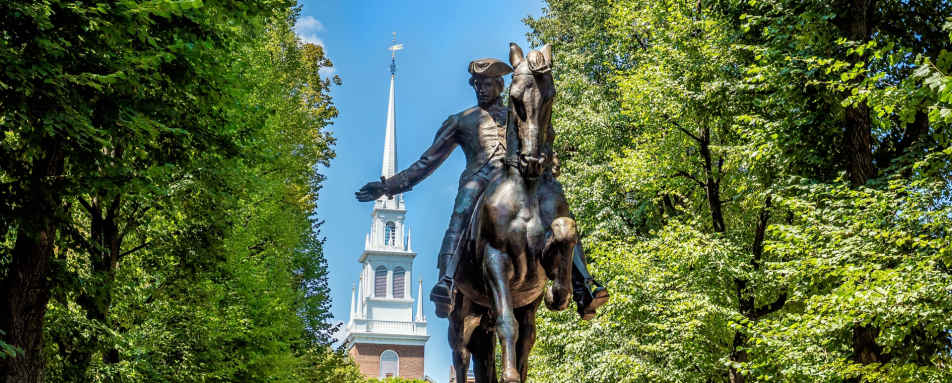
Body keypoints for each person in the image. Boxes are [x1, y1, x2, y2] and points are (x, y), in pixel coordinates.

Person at [355, 58, 607, 319]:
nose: (481, 89)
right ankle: (447, 281)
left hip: (518, 181)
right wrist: (386, 187)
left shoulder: (518, 114)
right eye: (477, 84)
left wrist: (545, 158)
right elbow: (426, 163)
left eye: (487, 83)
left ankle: (583, 286)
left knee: (558, 208)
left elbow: (541, 139)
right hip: (480, 181)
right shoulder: (461, 121)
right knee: (462, 211)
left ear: (500, 85)